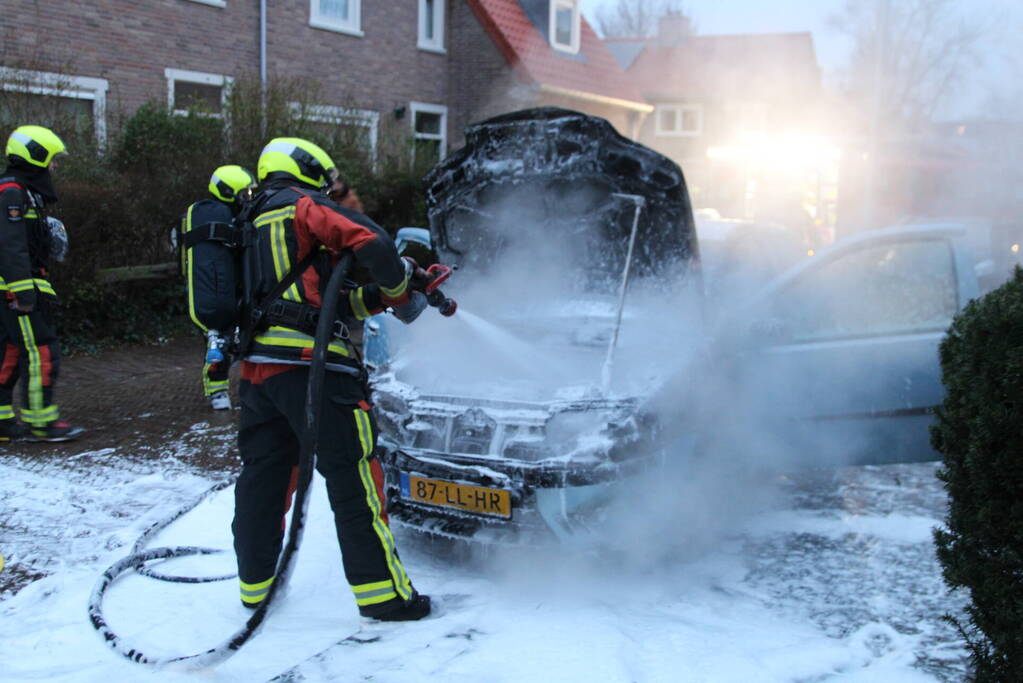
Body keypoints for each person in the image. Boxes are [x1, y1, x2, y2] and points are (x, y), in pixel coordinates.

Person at [232, 137, 430, 621]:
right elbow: (373, 241)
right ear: (306, 171)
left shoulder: (246, 223)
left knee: (263, 481)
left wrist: (382, 298)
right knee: (355, 478)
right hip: (316, 373)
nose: (327, 193)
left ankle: (256, 590)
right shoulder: (301, 206)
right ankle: (384, 595)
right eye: (324, 184)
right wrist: (403, 294)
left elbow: (330, 306)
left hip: (259, 376)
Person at [0, 125, 82, 443]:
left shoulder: (20, 190)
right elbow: (10, 245)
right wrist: (23, 292)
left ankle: (3, 420)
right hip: (15, 289)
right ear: (35, 155)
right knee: (41, 350)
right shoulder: (12, 191)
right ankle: (41, 421)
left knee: (9, 353)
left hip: (13, 287)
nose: (54, 167)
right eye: (52, 159)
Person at [178, 165, 255, 410]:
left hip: (235, 286)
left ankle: (245, 388)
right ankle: (217, 390)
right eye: (244, 193)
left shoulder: (231, 216)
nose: (248, 199)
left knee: (239, 340)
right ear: (228, 191)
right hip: (216, 291)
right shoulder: (210, 214)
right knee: (219, 341)